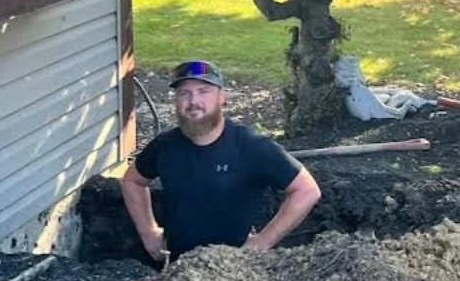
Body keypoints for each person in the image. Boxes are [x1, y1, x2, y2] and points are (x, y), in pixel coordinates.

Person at [121, 59, 322, 264]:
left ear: (222, 97)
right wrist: (149, 233)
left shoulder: (251, 147)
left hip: (234, 272)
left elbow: (306, 190)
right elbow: (132, 181)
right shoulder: (164, 147)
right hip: (178, 271)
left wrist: (263, 241)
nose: (193, 101)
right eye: (184, 93)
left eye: (203, 91)